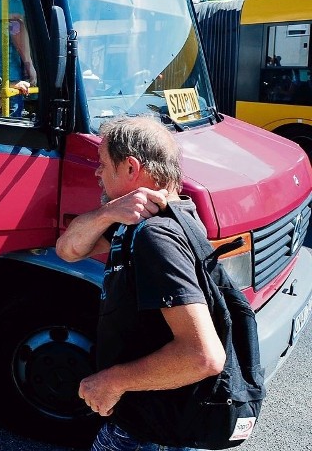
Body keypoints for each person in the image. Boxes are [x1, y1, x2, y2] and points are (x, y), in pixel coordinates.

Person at [55, 116, 226, 451]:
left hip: (152, 433)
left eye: (103, 164)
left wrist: (111, 381)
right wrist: (108, 213)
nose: (96, 173)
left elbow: (203, 357)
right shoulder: (135, 217)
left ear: (131, 167)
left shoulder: (156, 235)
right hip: (144, 422)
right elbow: (68, 250)